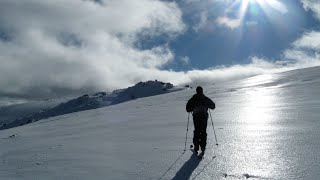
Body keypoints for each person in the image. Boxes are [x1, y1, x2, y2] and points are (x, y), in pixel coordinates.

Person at [186, 86, 215, 156]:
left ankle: (196, 146)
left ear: (196, 91)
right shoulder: (205, 98)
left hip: (196, 117)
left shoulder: (193, 99)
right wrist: (207, 105)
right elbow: (213, 106)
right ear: (202, 91)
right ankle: (203, 147)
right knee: (203, 131)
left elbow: (187, 109)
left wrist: (192, 108)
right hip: (204, 117)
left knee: (197, 131)